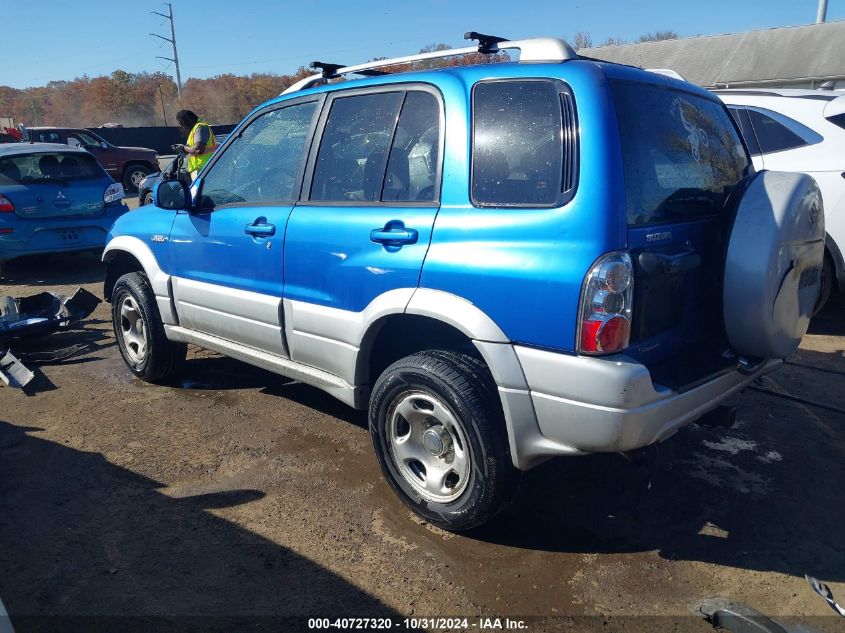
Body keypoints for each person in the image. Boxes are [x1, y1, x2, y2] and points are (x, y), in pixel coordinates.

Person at [172, 110, 218, 180]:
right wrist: (185, 150)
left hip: (204, 170)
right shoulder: (194, 130)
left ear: (187, 121)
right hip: (201, 169)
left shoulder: (200, 127)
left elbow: (198, 149)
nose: (182, 126)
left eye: (182, 123)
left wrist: (183, 148)